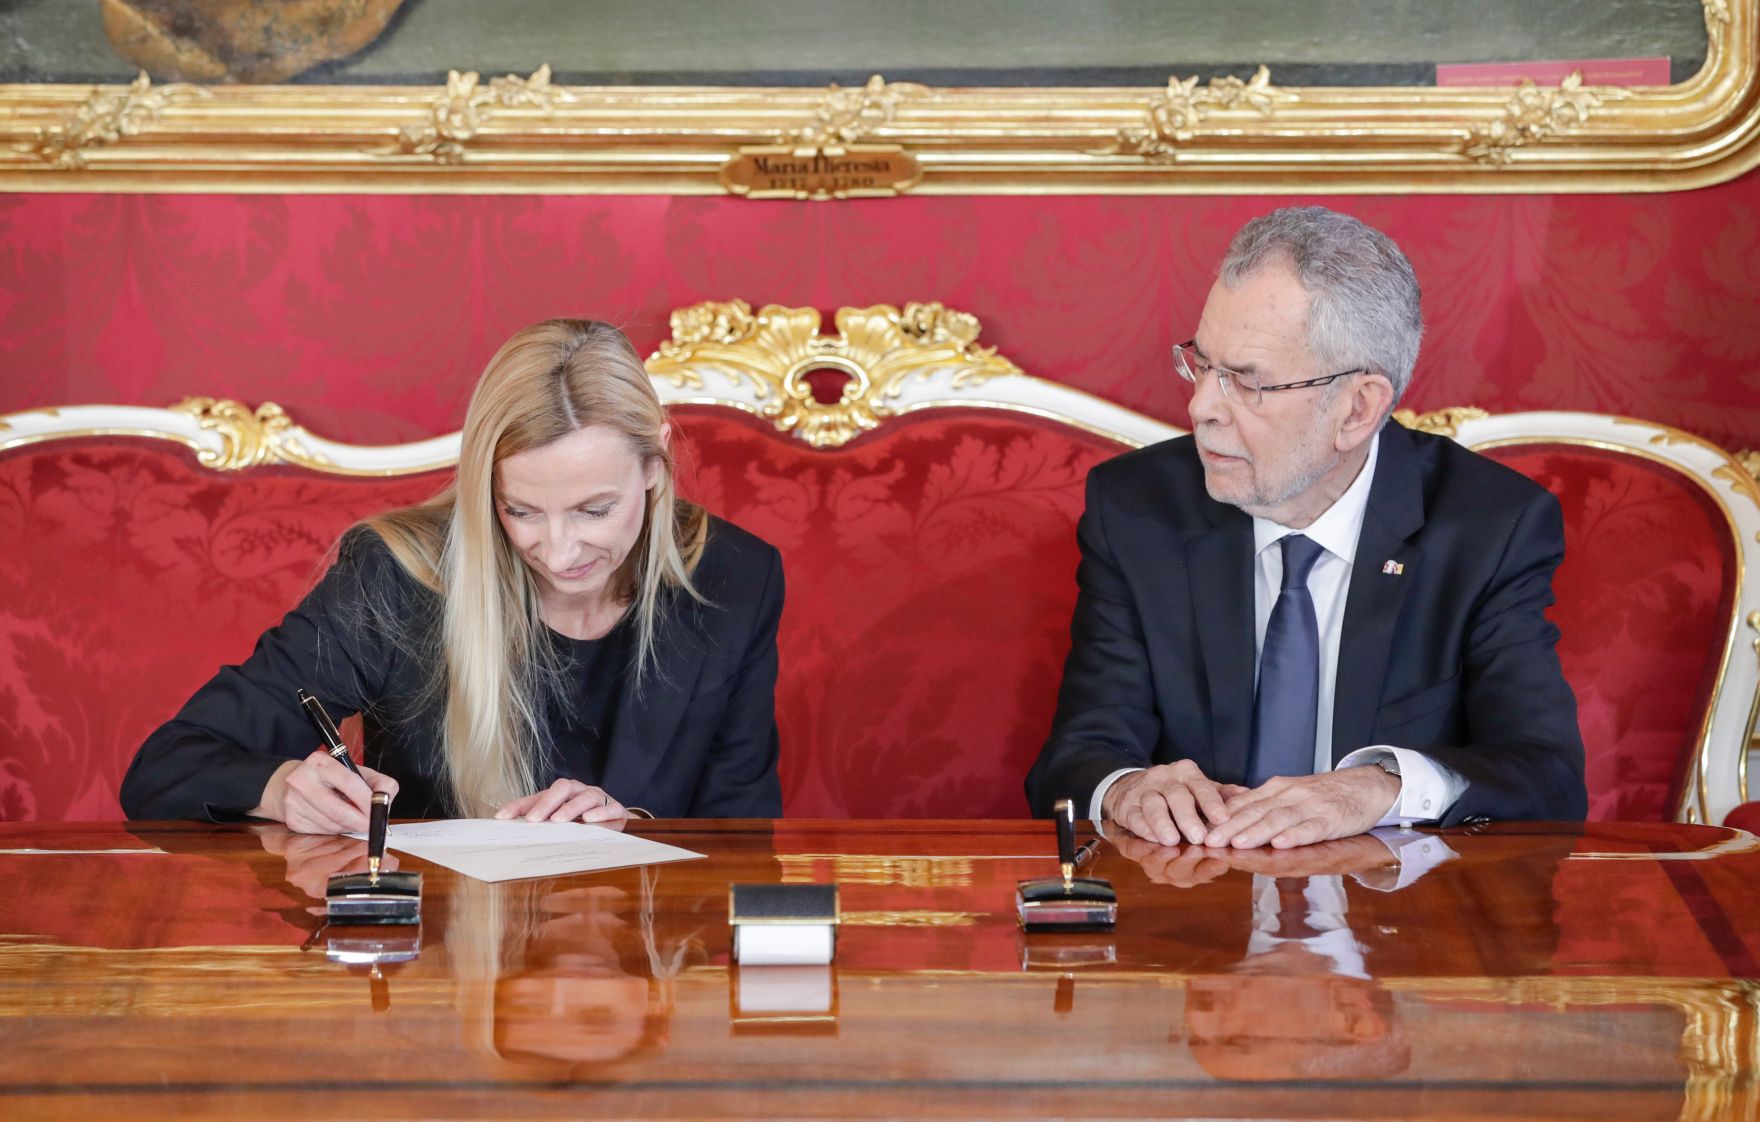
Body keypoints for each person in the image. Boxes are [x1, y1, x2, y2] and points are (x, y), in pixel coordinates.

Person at [1026, 205, 1585, 848]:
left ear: (1357, 408)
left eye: (1244, 382)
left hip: (1395, 929)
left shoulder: (1490, 528)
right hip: (1192, 917)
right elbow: (1074, 761)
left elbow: (1548, 777)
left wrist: (1381, 787)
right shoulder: (1138, 510)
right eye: (1202, 365)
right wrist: (1125, 787)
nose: (1202, 406)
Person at [121, 319, 784, 830]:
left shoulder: (734, 580)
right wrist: (280, 790)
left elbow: (742, 834)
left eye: (594, 510)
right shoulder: (399, 578)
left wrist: (630, 832)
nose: (558, 552)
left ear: (653, 463)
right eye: (520, 509)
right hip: (437, 976)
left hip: (640, 980)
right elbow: (167, 767)